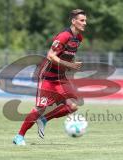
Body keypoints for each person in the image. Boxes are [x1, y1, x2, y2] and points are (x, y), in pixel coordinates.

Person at [13, 9, 87, 145]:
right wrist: (67, 63)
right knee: (39, 108)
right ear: (73, 21)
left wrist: (70, 64)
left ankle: (44, 119)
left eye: (85, 20)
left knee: (74, 105)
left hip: (60, 77)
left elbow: (67, 55)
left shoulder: (79, 38)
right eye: (82, 20)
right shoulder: (64, 36)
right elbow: (50, 56)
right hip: (47, 76)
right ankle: (19, 137)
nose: (85, 23)